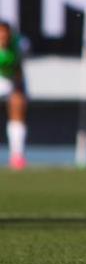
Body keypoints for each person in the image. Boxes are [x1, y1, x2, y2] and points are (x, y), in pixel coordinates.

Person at [0, 21, 29, 170]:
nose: (2, 36)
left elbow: (18, 70)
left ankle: (17, 155)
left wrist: (18, 86)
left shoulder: (19, 46)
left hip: (10, 80)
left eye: (5, 33)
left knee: (18, 103)